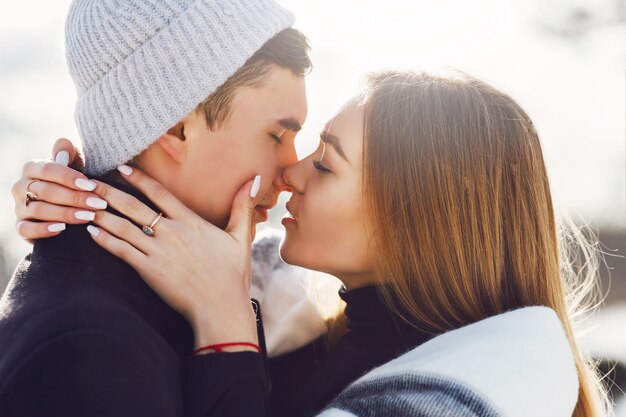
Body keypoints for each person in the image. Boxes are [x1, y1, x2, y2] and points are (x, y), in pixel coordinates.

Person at [11, 71, 610, 416]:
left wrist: (224, 327)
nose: (289, 174)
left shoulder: (447, 399)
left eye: (325, 163)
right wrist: (86, 189)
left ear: (414, 217)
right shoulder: (315, 338)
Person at [0, 0, 312, 416]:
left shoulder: (184, 292)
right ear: (175, 129)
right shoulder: (89, 353)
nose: (292, 170)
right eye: (276, 136)